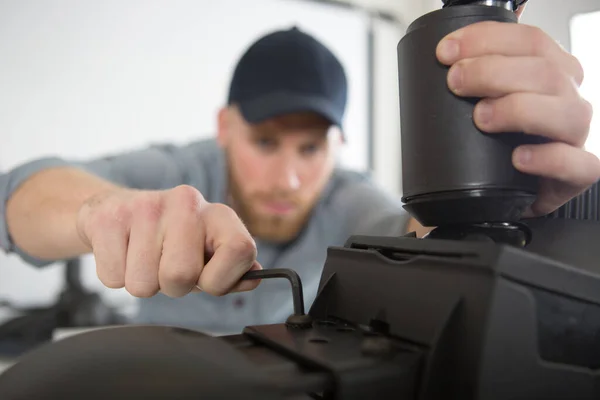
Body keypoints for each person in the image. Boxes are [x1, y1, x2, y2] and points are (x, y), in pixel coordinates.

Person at [1, 6, 599, 333]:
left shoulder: (350, 203)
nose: (288, 178)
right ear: (224, 126)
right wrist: (100, 211)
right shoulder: (181, 170)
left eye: (311, 149)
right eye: (265, 141)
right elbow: (19, 195)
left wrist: (501, 201)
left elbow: (415, 242)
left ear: (337, 145)